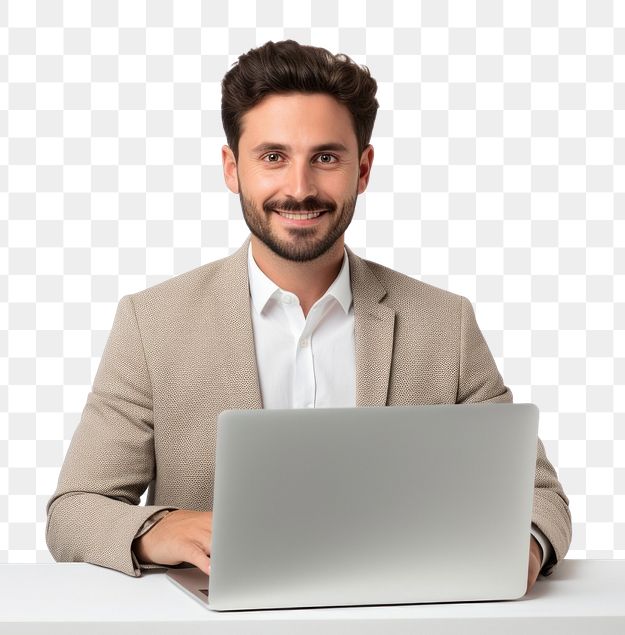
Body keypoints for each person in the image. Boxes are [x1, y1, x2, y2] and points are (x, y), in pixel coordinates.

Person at [46, 40, 571, 595]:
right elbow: (74, 511)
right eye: (273, 157)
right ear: (232, 168)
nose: (299, 188)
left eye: (326, 157)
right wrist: (160, 529)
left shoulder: (443, 323)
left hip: (405, 616)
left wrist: (526, 543)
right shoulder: (153, 324)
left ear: (362, 170)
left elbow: (539, 495)